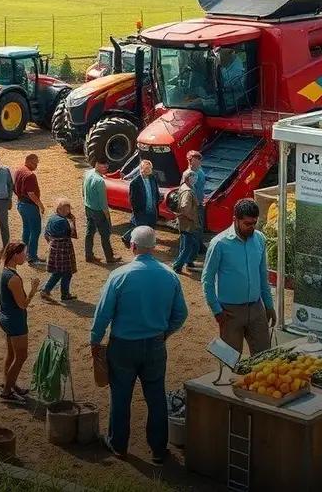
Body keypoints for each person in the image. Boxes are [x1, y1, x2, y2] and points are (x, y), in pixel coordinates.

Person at [91, 226, 188, 465]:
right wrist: (164, 333)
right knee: (155, 397)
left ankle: (119, 445)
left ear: (133, 246)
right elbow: (181, 314)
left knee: (121, 396)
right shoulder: (169, 275)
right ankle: (157, 449)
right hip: (155, 344)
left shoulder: (119, 275)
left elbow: (103, 313)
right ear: (153, 248)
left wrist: (95, 339)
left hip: (123, 345)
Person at [201, 198, 276, 355]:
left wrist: (268, 305)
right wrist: (217, 311)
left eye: (254, 223)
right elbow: (207, 281)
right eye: (247, 224)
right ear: (235, 220)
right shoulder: (219, 244)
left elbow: (263, 276)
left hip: (256, 309)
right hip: (229, 313)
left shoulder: (260, 239)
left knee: (264, 359)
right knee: (230, 362)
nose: (252, 228)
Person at [0, 241, 37, 404]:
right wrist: (33, 289)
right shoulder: (13, 279)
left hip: (4, 316)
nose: (25, 256)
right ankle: (7, 392)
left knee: (11, 354)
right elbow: (23, 304)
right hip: (16, 320)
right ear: (15, 255)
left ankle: (9, 383)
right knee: (21, 356)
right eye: (23, 254)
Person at [83, 158, 120, 264]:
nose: (106, 169)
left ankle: (88, 255)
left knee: (89, 233)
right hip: (98, 211)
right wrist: (107, 215)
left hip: (88, 207)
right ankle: (109, 257)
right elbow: (103, 202)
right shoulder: (100, 181)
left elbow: (83, 190)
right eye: (104, 167)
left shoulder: (87, 173)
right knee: (105, 234)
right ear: (97, 165)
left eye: (106, 167)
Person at [41, 199, 79, 302]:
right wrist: (71, 222)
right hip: (64, 248)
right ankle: (49, 291)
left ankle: (62, 293)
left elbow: (46, 234)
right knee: (65, 272)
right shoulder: (63, 221)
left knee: (60, 272)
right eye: (67, 209)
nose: (68, 211)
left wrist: (51, 243)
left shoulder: (52, 218)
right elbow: (72, 234)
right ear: (61, 209)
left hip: (54, 246)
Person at [15, 153, 46, 265]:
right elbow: (31, 193)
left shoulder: (19, 170)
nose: (36, 165)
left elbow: (14, 187)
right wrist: (40, 205)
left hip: (21, 204)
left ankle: (24, 253)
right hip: (29, 206)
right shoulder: (30, 175)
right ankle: (32, 256)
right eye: (34, 163)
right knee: (35, 230)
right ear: (28, 161)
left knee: (26, 229)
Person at [122, 160, 160, 247]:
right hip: (141, 210)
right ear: (141, 169)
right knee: (139, 228)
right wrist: (136, 211)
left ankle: (147, 244)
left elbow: (156, 192)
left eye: (150, 168)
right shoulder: (135, 183)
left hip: (152, 209)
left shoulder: (153, 178)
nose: (148, 170)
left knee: (149, 228)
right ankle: (129, 239)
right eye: (146, 168)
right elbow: (132, 199)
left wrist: (157, 202)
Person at [172, 169, 202, 275]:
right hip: (188, 224)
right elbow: (185, 207)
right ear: (188, 179)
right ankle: (177, 266)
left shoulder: (185, 187)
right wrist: (192, 218)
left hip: (185, 223)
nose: (195, 179)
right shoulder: (188, 192)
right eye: (193, 177)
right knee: (188, 246)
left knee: (188, 245)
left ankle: (189, 262)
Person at [187, 150, 207, 266]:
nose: (190, 162)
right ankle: (196, 249)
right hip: (195, 204)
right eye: (190, 160)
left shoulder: (197, 172)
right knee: (196, 227)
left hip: (198, 202)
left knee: (198, 226)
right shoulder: (191, 173)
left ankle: (199, 246)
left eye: (192, 160)